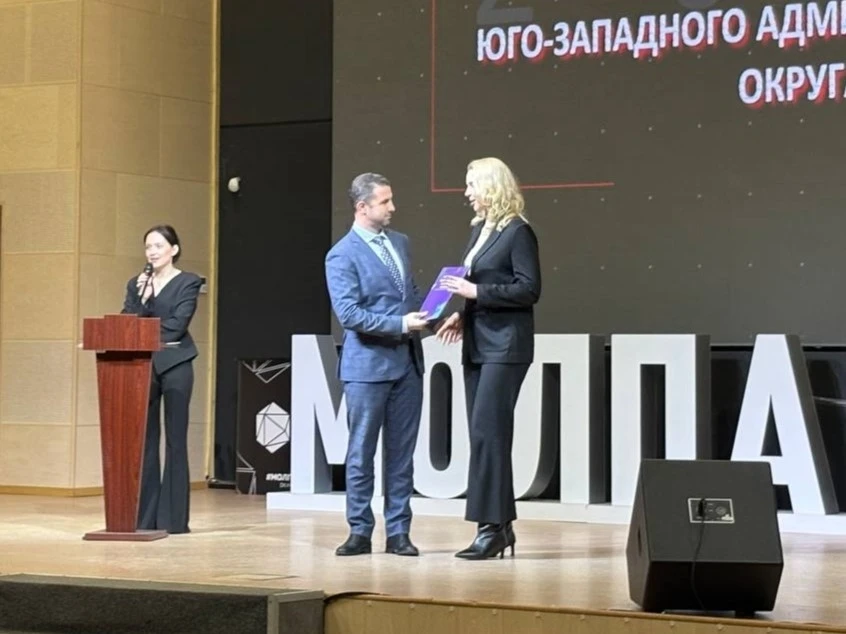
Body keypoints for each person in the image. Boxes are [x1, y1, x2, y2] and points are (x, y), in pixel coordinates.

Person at [437, 157, 542, 560]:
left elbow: (529, 289)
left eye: (471, 185)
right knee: (483, 434)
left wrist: (476, 294)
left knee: (489, 433)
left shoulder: (518, 232)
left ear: (491, 187)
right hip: (479, 344)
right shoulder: (481, 231)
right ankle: (500, 526)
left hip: (505, 347)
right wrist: (463, 316)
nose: (466, 193)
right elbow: (478, 286)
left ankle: (491, 528)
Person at [324, 172, 430, 557]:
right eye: (385, 202)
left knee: (402, 454)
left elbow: (409, 293)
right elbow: (350, 314)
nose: (392, 207)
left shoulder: (399, 242)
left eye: (391, 199)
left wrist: (433, 316)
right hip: (367, 367)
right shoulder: (342, 254)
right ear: (362, 207)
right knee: (361, 452)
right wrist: (401, 324)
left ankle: (399, 531)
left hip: (407, 364)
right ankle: (359, 530)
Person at [122, 224, 203, 535]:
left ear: (174, 249)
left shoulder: (188, 282)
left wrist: (145, 328)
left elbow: (177, 325)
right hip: (144, 365)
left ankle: (174, 519)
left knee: (175, 440)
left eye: (158, 246)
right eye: (148, 247)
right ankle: (144, 518)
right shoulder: (137, 284)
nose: (152, 252)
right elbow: (127, 323)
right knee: (145, 440)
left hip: (176, 363)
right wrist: (143, 299)